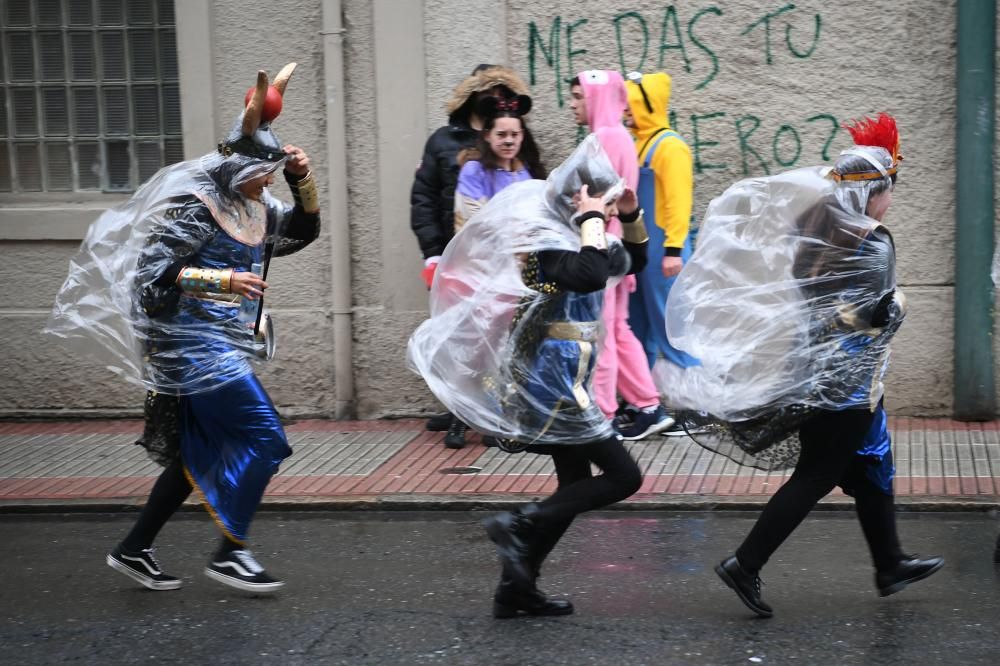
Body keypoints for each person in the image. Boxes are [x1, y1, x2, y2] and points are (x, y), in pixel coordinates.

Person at [46, 64, 322, 593]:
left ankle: (134, 548)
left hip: (226, 346)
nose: (270, 180)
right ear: (240, 167)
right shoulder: (196, 209)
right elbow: (153, 273)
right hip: (190, 349)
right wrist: (223, 281)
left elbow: (304, 231)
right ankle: (231, 554)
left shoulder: (257, 205)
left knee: (201, 451)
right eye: (266, 171)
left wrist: (302, 180)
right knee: (266, 438)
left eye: (274, 172)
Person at [659, 113, 942, 616]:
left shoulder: (814, 228)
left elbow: (819, 303)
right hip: (845, 386)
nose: (890, 199)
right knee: (816, 475)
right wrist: (898, 305)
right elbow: (874, 316)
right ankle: (745, 564)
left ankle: (890, 562)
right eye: (888, 189)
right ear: (871, 192)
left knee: (873, 462)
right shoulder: (872, 242)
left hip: (822, 373)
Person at [408, 136, 647, 617]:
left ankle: (515, 590)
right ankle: (520, 522)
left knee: (574, 483)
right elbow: (589, 273)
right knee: (624, 476)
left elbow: (632, 261)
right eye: (598, 201)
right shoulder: (545, 247)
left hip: (566, 374)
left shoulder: (580, 238)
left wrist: (632, 213)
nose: (606, 212)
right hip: (549, 379)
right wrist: (592, 219)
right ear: (576, 203)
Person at [410, 64, 536, 444]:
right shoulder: (445, 143)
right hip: (462, 260)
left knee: (495, 340)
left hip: (505, 268)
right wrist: (433, 255)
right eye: (490, 95)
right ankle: (458, 410)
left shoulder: (514, 148)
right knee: (461, 337)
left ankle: (483, 411)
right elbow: (425, 200)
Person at [568, 71, 672, 441]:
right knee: (617, 330)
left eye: (579, 96)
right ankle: (648, 405)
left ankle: (605, 414)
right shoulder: (618, 136)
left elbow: (597, 195)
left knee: (605, 336)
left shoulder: (605, 138)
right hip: (616, 250)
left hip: (604, 249)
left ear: (596, 98)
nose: (573, 104)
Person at [443, 92, 547, 448]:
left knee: (507, 348)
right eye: (501, 134)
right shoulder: (474, 171)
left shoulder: (528, 175)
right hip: (479, 274)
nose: (508, 141)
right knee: (474, 347)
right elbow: (470, 221)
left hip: (517, 277)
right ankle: (460, 416)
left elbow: (538, 222)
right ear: (487, 136)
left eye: (515, 135)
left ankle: (496, 417)